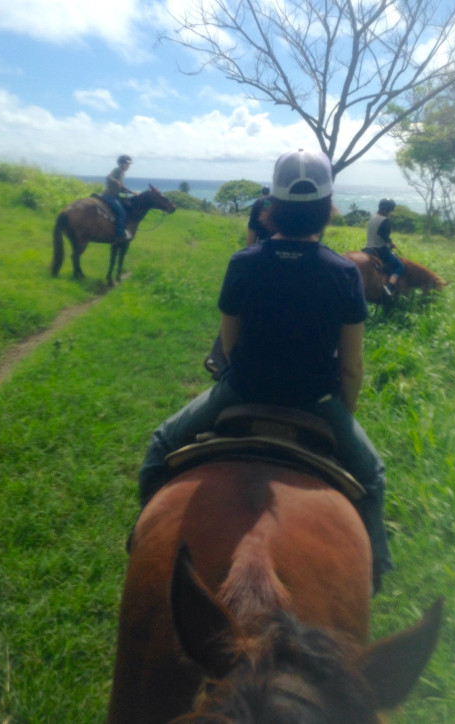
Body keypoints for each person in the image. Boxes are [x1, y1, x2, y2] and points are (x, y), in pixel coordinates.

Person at [138, 150, 393, 592]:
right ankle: (375, 573)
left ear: (273, 208)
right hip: (316, 403)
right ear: (327, 209)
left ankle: (142, 539)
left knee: (161, 446)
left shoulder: (244, 262)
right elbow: (351, 368)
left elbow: (230, 345)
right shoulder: (343, 274)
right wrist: (340, 416)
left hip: (241, 393)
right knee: (371, 476)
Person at [365, 198, 405, 298]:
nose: (391, 213)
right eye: (390, 210)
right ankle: (389, 287)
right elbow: (384, 236)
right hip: (380, 249)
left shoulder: (373, 217)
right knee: (399, 266)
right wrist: (391, 243)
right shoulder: (385, 220)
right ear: (386, 210)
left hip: (368, 248)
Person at [101, 155, 136, 242]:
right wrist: (116, 181)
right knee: (122, 213)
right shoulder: (117, 170)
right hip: (109, 196)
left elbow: (122, 188)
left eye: (129, 165)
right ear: (121, 164)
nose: (128, 166)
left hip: (115, 196)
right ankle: (120, 235)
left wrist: (132, 193)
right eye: (126, 164)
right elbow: (109, 177)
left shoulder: (122, 173)